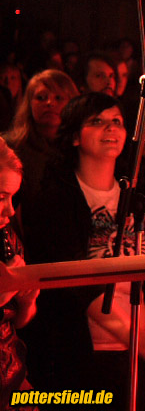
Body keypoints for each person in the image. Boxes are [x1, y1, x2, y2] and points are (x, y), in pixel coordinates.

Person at [25, 93, 145, 410]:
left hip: (135, 349)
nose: (111, 128)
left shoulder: (136, 197)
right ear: (75, 137)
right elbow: (72, 280)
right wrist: (133, 334)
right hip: (81, 353)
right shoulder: (55, 199)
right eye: (97, 121)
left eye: (117, 121)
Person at [4, 69, 79, 233]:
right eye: (41, 98)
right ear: (29, 103)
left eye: (58, 98)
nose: (49, 103)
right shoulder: (10, 149)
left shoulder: (80, 150)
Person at [0, 137, 39, 411]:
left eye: (13, 197)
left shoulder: (7, 238)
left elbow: (19, 322)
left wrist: (27, 302)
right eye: (1, 197)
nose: (11, 210)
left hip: (12, 377)